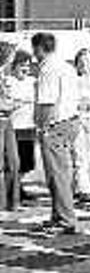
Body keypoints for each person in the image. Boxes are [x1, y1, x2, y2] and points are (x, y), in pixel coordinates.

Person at [32, 32, 81, 235]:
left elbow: (47, 102)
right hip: (70, 121)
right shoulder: (66, 65)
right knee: (61, 173)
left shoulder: (47, 69)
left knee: (57, 174)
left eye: (35, 49)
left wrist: (41, 128)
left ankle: (66, 219)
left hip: (55, 125)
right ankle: (58, 215)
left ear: (39, 48)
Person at [72, 48, 90, 206]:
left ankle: (75, 185)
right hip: (78, 118)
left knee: (87, 155)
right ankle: (85, 189)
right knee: (79, 154)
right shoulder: (73, 79)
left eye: (88, 61)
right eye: (82, 61)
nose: (84, 64)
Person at [6, 51, 35, 203]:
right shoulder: (8, 81)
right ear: (14, 66)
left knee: (27, 162)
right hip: (13, 128)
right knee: (13, 162)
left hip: (28, 126)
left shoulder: (32, 81)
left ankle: (18, 187)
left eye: (28, 65)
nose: (25, 68)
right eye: (22, 65)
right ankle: (13, 191)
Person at [0, 42, 20, 211]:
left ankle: (12, 201)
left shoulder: (4, 76)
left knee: (14, 161)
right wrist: (10, 104)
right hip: (2, 119)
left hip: (7, 121)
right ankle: (3, 202)